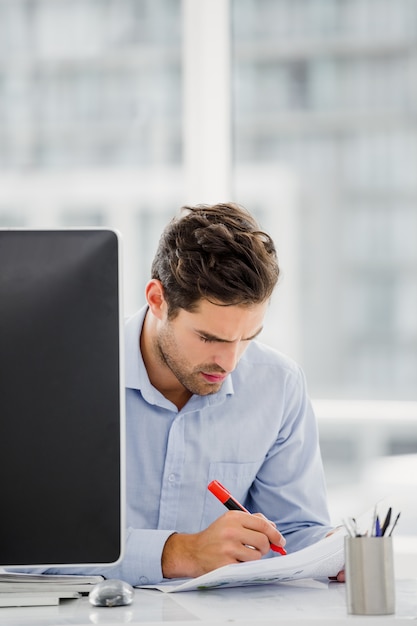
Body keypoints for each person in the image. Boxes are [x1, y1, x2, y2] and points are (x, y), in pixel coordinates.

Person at [22, 202, 344, 584]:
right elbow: (26, 551)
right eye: (209, 337)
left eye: (247, 339)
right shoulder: (61, 376)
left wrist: (334, 549)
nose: (229, 362)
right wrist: (179, 553)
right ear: (157, 300)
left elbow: (291, 533)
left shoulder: (278, 385)